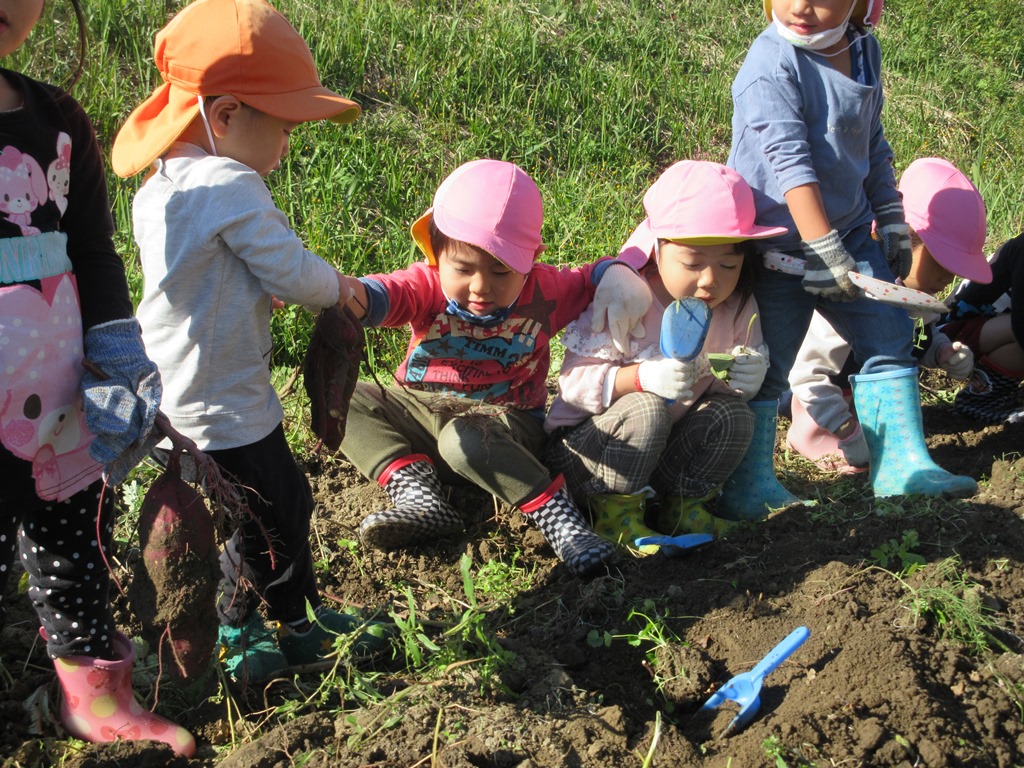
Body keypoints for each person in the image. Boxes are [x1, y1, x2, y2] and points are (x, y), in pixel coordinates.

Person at [110, 0, 393, 688]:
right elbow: (291, 271)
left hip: (177, 390)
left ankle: (290, 619)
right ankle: (245, 625)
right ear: (228, 115)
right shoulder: (229, 182)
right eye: (284, 126)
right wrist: (340, 287)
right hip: (225, 403)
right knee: (272, 514)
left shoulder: (164, 185)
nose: (287, 146)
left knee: (259, 509)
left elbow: (199, 275)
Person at [0, 0, 194, 755]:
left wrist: (116, 350)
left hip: (51, 384)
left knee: (71, 539)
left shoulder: (57, 118)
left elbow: (91, 248)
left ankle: (94, 697)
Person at [336, 158, 653, 577]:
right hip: (420, 410)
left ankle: (563, 523)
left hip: (502, 425)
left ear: (530, 262)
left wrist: (616, 271)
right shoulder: (427, 286)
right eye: (463, 269)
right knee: (346, 394)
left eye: (501, 271)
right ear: (436, 254)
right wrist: (333, 291)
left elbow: (589, 276)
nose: (481, 287)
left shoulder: (544, 292)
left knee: (462, 437)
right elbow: (382, 294)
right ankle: (419, 493)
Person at [723, 0, 976, 519]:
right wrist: (820, 247)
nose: (799, 7)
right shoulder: (771, 66)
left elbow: (872, 140)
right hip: (779, 244)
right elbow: (788, 163)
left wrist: (889, 208)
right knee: (770, 362)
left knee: (889, 337)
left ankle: (902, 467)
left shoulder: (862, 50)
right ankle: (747, 487)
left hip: (850, 233)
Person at [544, 161, 787, 547]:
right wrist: (640, 378)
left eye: (729, 264)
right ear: (657, 251)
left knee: (733, 415)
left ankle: (680, 508)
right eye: (692, 263)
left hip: (659, 458)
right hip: (588, 457)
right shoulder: (627, 299)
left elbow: (720, 394)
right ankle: (613, 516)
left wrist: (746, 376)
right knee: (647, 407)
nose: (711, 280)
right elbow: (573, 383)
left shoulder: (737, 306)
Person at [785, 158, 991, 472]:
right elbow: (806, 376)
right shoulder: (856, 295)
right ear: (905, 240)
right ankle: (809, 431)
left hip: (848, 395)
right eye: (941, 266)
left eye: (954, 272)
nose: (946, 280)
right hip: (807, 391)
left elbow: (921, 336)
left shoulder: (915, 301)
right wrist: (845, 430)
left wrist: (943, 351)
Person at [943, 236, 1024, 424]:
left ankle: (997, 390)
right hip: (950, 335)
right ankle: (979, 399)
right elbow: (1020, 328)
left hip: (988, 330)